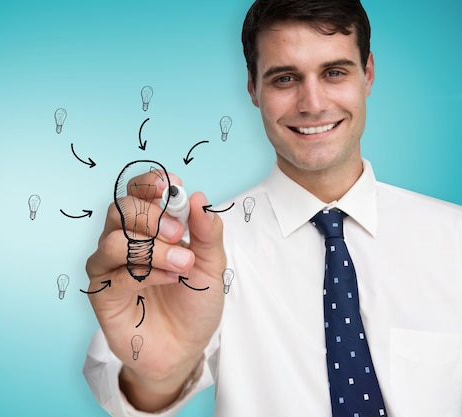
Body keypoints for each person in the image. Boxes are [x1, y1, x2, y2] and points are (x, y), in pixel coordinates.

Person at [82, 0, 462, 415]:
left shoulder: (454, 239)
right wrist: (155, 376)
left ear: (367, 73)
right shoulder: (198, 253)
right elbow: (125, 386)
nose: (313, 103)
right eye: (285, 79)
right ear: (252, 88)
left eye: (334, 72)